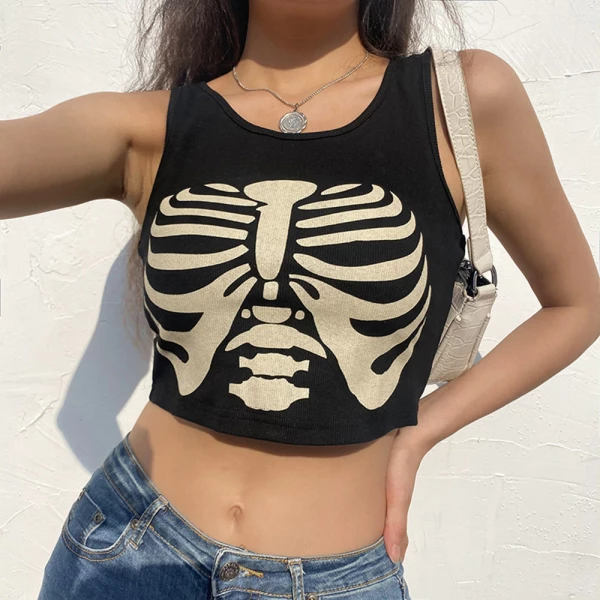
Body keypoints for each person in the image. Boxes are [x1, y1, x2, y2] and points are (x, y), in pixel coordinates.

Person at [2, 1, 599, 599]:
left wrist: (420, 433)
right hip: (126, 554)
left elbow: (577, 306)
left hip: (337, 580)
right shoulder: (150, 128)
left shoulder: (457, 101)